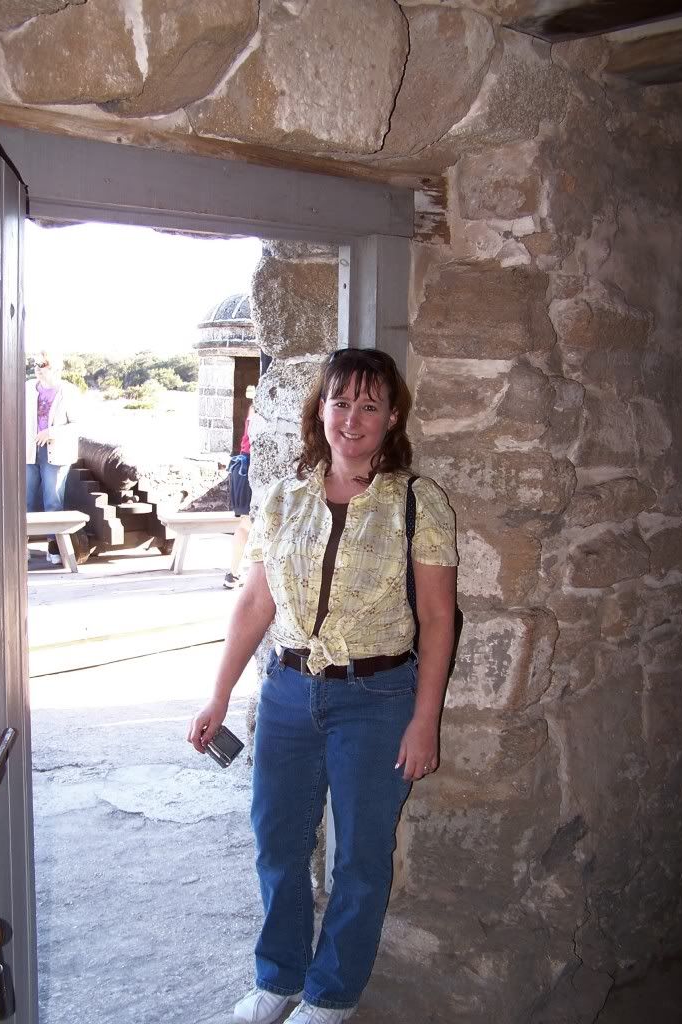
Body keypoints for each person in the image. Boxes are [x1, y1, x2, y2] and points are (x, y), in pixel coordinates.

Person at [188, 349, 458, 1024]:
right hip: (286, 693)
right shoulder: (284, 499)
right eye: (341, 402)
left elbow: (437, 619)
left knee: (361, 855)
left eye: (370, 405)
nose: (352, 418)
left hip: (377, 699)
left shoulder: (418, 503)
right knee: (277, 840)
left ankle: (332, 993)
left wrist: (425, 719)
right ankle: (278, 979)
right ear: (321, 410)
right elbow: (256, 604)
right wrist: (218, 695)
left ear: (392, 417)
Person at [25, 350, 81, 564]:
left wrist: (51, 432)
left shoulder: (68, 391)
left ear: (55, 368)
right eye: (35, 364)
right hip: (29, 450)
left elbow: (77, 424)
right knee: (25, 500)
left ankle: (53, 545)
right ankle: (22, 546)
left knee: (53, 500)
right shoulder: (28, 388)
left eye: (43, 365)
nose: (37, 368)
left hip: (56, 452)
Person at [224, 386, 255, 589]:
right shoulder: (258, 409)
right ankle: (235, 573)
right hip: (249, 467)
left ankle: (234, 573)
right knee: (247, 525)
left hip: (243, 466)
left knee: (245, 525)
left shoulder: (254, 408)